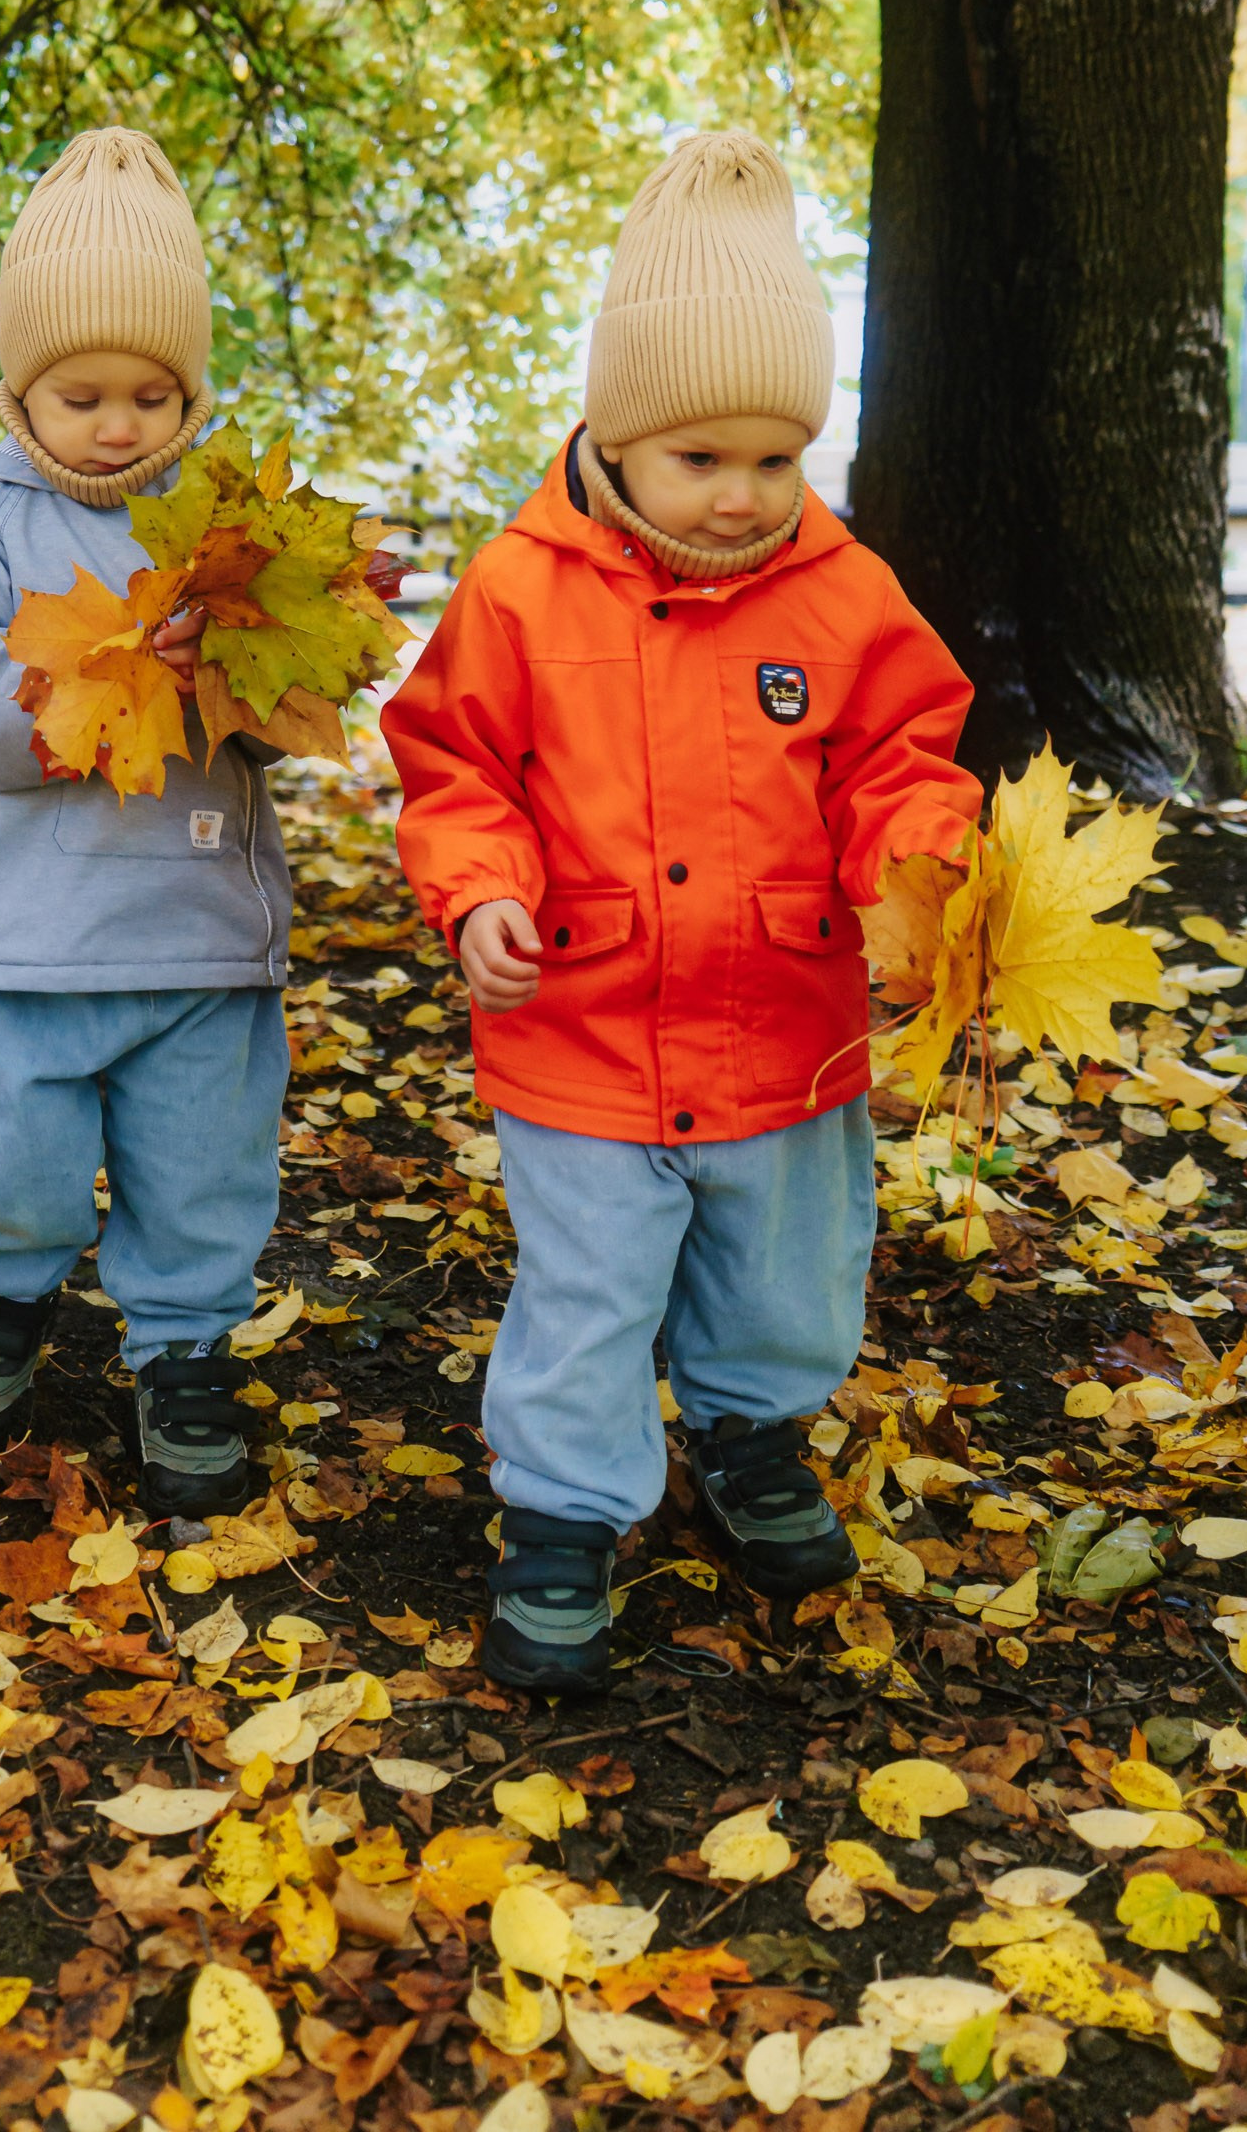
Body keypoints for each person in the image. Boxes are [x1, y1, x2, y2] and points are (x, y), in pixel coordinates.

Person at [382, 130, 978, 1692]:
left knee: (786, 1269)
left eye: (775, 460)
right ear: (617, 435)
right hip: (580, 1031)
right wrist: (480, 891)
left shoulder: (846, 597)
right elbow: (453, 762)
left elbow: (903, 759)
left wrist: (916, 863)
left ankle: (748, 1429)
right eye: (700, 460)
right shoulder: (519, 592)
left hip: (784, 1025)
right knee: (585, 1291)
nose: (741, 497)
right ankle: (568, 1515)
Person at [0, 126, 290, 1505]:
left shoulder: (225, 530)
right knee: (10, 1150)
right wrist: (94, 684)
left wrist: (230, 668)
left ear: (191, 394)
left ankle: (184, 1352)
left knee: (202, 1168)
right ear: (20, 393)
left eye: (150, 395)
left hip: (194, 933)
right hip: (28, 937)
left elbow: (305, 687)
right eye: (80, 395)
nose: (117, 426)